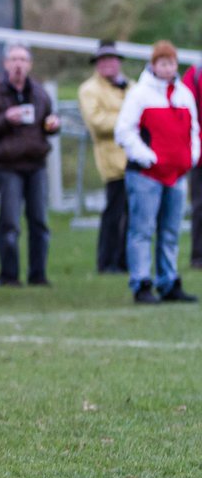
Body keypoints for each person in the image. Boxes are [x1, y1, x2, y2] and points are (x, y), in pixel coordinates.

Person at [114, 40, 200, 304]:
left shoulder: (183, 94)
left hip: (175, 175)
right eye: (162, 63)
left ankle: (168, 280)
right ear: (153, 65)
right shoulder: (140, 94)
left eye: (171, 62)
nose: (167, 67)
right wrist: (148, 157)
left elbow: (194, 129)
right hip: (146, 176)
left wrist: (191, 157)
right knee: (142, 229)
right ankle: (141, 282)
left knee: (170, 231)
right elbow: (124, 131)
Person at [0, 41, 61, 287]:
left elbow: (48, 123)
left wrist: (54, 125)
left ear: (30, 64)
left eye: (23, 59)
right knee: (10, 223)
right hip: (8, 166)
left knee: (40, 221)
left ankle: (38, 274)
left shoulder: (40, 94)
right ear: (5, 63)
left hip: (36, 165)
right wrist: (4, 119)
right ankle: (9, 275)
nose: (18, 64)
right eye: (14, 59)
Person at [77, 40, 130, 274]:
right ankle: (106, 261)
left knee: (132, 215)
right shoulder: (89, 89)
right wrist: (127, 121)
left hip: (136, 161)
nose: (108, 64)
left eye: (112, 59)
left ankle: (124, 260)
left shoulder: (130, 86)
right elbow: (97, 123)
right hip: (112, 161)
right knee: (114, 213)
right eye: (103, 60)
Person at [181, 59, 202, 269]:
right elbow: (187, 112)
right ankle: (198, 257)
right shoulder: (195, 74)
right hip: (200, 155)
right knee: (199, 207)